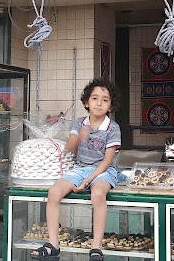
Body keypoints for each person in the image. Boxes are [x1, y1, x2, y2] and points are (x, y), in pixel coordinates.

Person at [31, 78, 122, 261]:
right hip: (80, 168)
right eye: (94, 98)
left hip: (104, 171)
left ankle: (96, 247)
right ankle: (53, 244)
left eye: (105, 100)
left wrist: (88, 180)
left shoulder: (113, 128)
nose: (99, 103)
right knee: (54, 192)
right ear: (86, 102)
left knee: (98, 194)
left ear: (111, 106)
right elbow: (70, 148)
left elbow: (107, 161)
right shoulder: (79, 123)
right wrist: (80, 136)